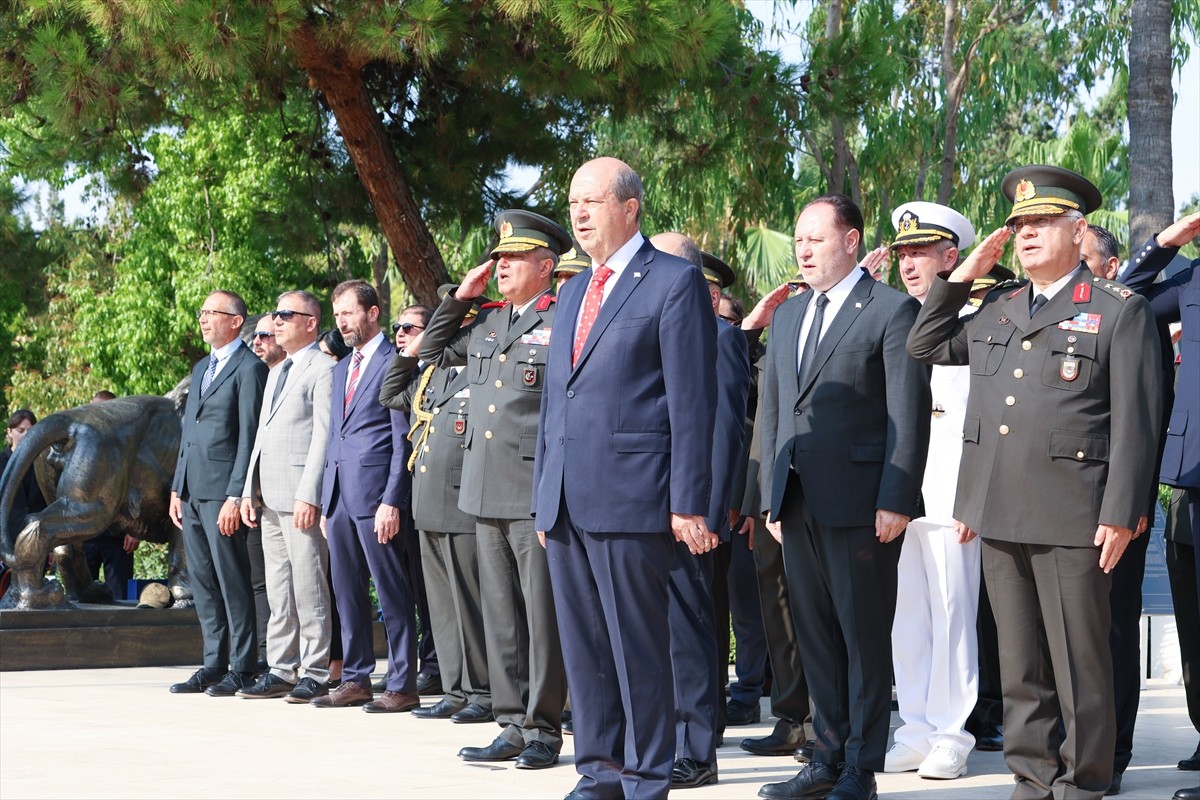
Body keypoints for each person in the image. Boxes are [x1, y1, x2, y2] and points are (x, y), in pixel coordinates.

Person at [907, 165, 1163, 800]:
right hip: (998, 509)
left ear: (1079, 233)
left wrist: (1122, 510)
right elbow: (925, 345)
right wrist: (961, 275)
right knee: (1021, 665)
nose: (1026, 235)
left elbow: (1138, 421)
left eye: (1042, 223)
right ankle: (1032, 774)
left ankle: (1084, 780)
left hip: (1076, 513)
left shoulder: (1116, 312)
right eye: (1018, 225)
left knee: (1081, 661)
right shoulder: (999, 308)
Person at [533, 157, 717, 800]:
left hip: (636, 497)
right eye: (573, 202)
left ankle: (644, 777)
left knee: (637, 648)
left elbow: (693, 402)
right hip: (565, 500)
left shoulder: (672, 281)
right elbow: (558, 398)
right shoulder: (576, 290)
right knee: (585, 649)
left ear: (630, 207)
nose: (579, 214)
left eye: (593, 201)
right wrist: (542, 496)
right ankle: (599, 770)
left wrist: (687, 501)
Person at [756, 194, 931, 800]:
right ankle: (824, 757)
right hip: (798, 499)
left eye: (816, 239)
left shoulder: (889, 309)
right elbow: (774, 411)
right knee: (816, 635)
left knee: (862, 636)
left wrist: (897, 496)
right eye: (798, 240)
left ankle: (861, 765)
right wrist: (770, 498)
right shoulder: (787, 315)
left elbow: (906, 414)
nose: (803, 250)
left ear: (852, 241)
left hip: (862, 501)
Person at [420, 210, 570, 770]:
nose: (501, 266)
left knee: (540, 617)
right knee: (500, 614)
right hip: (482, 492)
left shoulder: (561, 320)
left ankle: (543, 730)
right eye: (499, 258)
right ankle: (509, 722)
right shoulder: (485, 322)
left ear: (546, 266)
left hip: (531, 491)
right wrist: (459, 299)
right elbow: (430, 353)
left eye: (514, 259)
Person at [644, 234, 749, 789]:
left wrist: (708, 513)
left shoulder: (721, 338)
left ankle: (697, 750)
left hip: (692, 516)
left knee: (689, 633)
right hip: (641, 506)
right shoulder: (647, 325)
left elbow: (724, 432)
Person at [882, 201, 980, 781]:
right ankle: (915, 726)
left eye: (922, 252)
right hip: (899, 493)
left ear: (952, 257)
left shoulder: (975, 317)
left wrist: (973, 497)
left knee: (952, 612)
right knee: (907, 616)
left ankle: (952, 732)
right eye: (903, 254)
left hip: (948, 490)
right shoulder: (894, 316)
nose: (909, 264)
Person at [380, 287, 493, 724]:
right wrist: (411, 353)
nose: (405, 335)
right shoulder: (429, 376)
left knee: (471, 603)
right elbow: (390, 393)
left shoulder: (480, 371)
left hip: (462, 503)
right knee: (442, 605)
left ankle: (482, 691)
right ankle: (454, 688)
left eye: (414, 329)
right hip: (427, 504)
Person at [1118, 210, 1200, 800]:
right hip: (1187, 478)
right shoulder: (1193, 281)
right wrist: (1166, 243)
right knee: (1193, 620)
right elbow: (1127, 300)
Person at [315, 279, 417, 713]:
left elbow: (402, 441)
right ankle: (356, 678)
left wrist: (392, 500)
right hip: (338, 498)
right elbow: (334, 437)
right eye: (337, 315)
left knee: (392, 592)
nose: (342, 322)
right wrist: (324, 499)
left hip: (377, 499)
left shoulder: (396, 362)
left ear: (373, 313)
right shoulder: (340, 369)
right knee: (346, 591)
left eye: (349, 313)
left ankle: (402, 682)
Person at [237, 290, 336, 704]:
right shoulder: (278, 370)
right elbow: (262, 436)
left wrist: (309, 493)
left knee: (309, 584)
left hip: (299, 496)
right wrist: (248, 490)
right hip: (269, 495)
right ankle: (281, 667)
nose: (275, 322)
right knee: (278, 589)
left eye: (285, 315)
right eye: (275, 315)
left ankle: (315, 670)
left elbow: (323, 436)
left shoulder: (324, 368)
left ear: (311, 322)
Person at [168, 290, 267, 697]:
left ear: (236, 321)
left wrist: (236, 493)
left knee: (232, 579)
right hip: (191, 490)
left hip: (223, 491)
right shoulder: (201, 367)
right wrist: (177, 486)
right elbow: (188, 434)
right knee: (202, 581)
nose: (204, 319)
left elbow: (249, 436)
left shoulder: (249, 368)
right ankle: (214, 662)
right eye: (202, 312)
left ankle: (243, 666)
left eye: (213, 312)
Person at [381, 303, 440, 697]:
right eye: (398, 326)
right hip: (408, 495)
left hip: (428, 493)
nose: (401, 332)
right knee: (415, 586)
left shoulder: (435, 371)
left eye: (410, 327)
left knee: (432, 589)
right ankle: (430, 661)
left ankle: (436, 665)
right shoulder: (405, 372)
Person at [83, 391, 139, 601]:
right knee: (80, 598)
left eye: (105, 409)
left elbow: (142, 486)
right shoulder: (80, 439)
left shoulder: (130, 442)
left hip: (119, 534)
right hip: (86, 532)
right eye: (94, 409)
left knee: (120, 599)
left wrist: (136, 530)